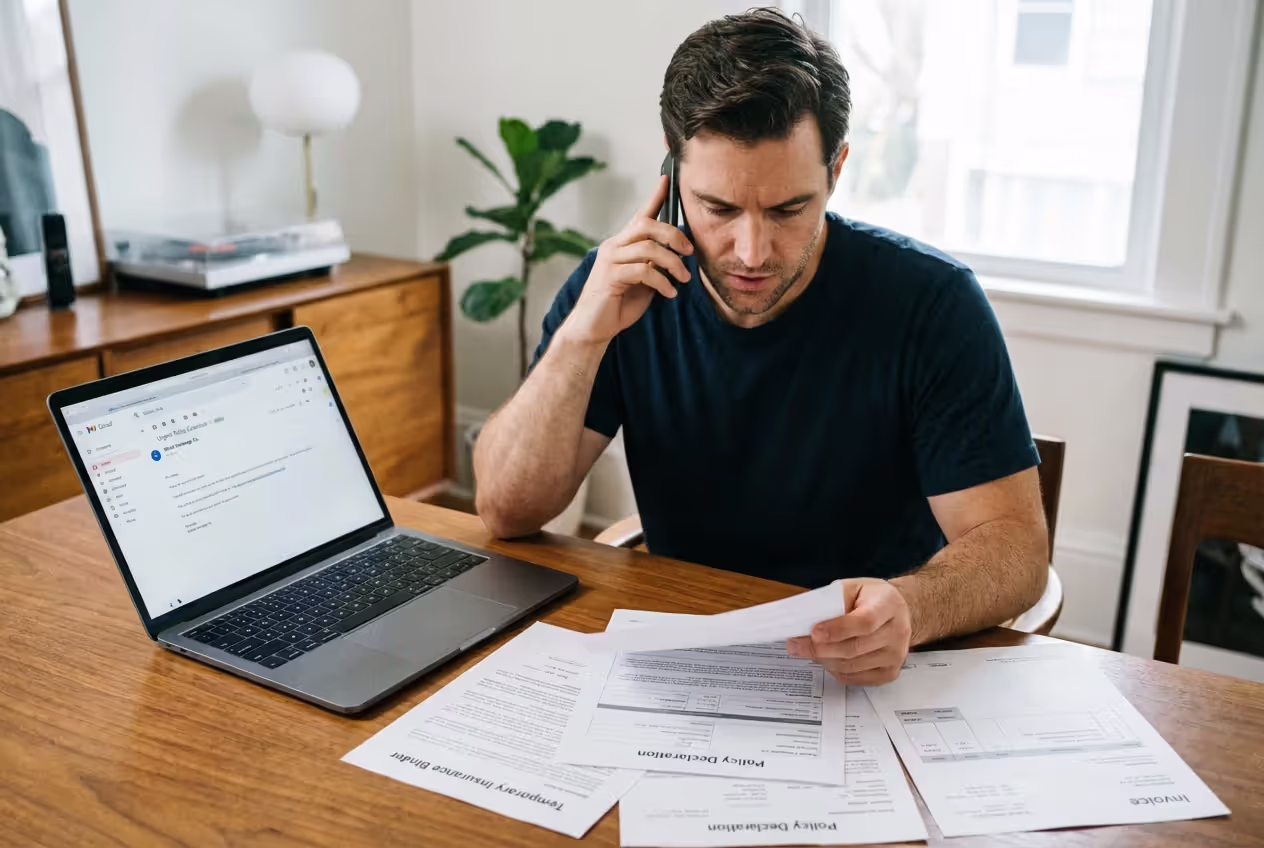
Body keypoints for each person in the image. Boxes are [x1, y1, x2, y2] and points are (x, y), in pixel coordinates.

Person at [473, 8, 1048, 684]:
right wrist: (581, 336)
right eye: (717, 209)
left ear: (836, 169)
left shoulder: (934, 304)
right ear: (671, 167)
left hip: (865, 672)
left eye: (786, 210)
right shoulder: (619, 288)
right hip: (685, 652)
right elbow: (505, 511)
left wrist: (912, 608)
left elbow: (1015, 549)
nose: (751, 252)